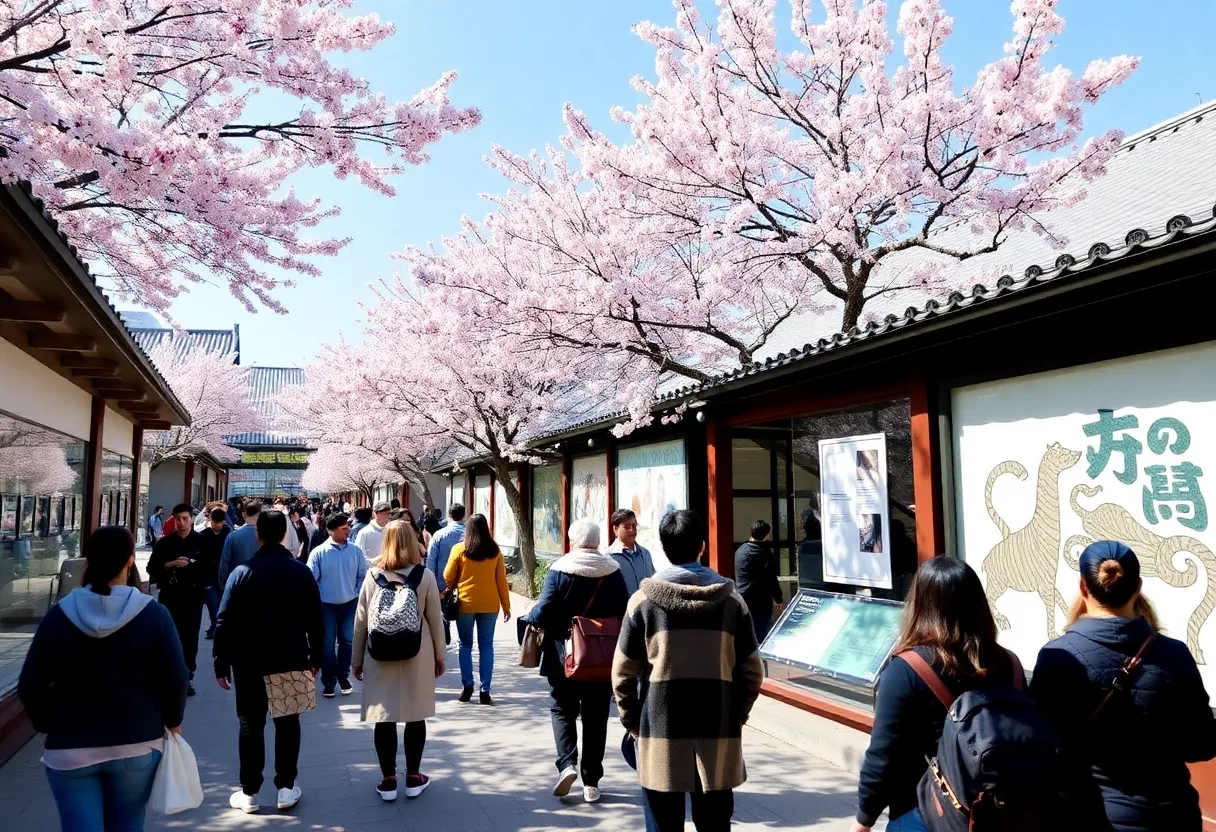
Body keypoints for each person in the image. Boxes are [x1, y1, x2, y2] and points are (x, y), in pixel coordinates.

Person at [1030, 540, 1216, 832]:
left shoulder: (1057, 657)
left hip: (1095, 817)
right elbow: (1201, 746)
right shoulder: (1174, 654)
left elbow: (1043, 751)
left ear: (1082, 587)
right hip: (1173, 817)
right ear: (1138, 586)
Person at [19, 526, 189, 832]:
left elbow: (29, 684)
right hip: (137, 742)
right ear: (129, 561)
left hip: (70, 747)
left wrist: (50, 724)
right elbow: (175, 677)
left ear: (88, 561)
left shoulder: (60, 615)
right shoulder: (153, 614)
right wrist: (173, 720)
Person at [613, 509, 763, 832]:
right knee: (715, 823)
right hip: (718, 729)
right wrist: (737, 714)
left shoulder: (642, 603)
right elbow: (753, 671)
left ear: (665, 550)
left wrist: (633, 722)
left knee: (663, 823)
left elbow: (622, 674)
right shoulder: (732, 601)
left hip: (660, 730)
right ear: (702, 546)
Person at [851, 557, 1022, 832]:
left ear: (919, 604)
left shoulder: (907, 670)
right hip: (1007, 812)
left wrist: (863, 819)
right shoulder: (1010, 664)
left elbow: (883, 755)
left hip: (928, 814)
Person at [214, 509, 323, 815]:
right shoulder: (300, 571)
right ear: (285, 535)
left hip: (247, 660)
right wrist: (316, 656)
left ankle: (249, 791)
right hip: (290, 655)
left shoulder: (242, 573)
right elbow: (316, 620)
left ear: (258, 535)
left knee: (251, 724)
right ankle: (286, 787)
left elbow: (224, 621)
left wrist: (221, 661)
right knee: (288, 721)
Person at [526, 518, 629, 803]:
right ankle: (592, 783)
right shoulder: (613, 570)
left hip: (564, 655)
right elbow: (625, 610)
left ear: (573, 540)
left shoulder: (560, 570)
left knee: (562, 709)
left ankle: (566, 765)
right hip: (602, 658)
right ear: (598, 541)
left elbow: (543, 612)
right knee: (596, 718)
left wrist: (531, 615)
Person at [353, 520, 444, 802]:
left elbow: (361, 622)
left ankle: (388, 779)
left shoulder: (373, 576)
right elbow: (435, 621)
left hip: (380, 654)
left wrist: (356, 660)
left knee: (385, 717)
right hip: (417, 652)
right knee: (415, 715)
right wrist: (439, 656)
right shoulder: (424, 576)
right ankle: (414, 777)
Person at [442, 512, 510, 704]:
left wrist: (454, 584)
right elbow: (501, 581)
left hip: (465, 603)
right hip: (489, 604)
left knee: (465, 645)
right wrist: (506, 605)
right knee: (486, 646)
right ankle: (485, 690)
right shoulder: (494, 550)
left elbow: (447, 574)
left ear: (468, 529)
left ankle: (467, 685)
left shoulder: (459, 549)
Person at [147, 503, 206, 696]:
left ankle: (187, 676)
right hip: (169, 597)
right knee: (168, 637)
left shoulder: (201, 542)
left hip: (193, 597)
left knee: (190, 639)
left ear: (191, 519)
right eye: (177, 519)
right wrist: (170, 564)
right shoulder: (164, 544)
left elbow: (212, 569)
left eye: (185, 519)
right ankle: (168, 675)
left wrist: (193, 565)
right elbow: (151, 568)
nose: (181, 523)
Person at [307, 513, 367, 698]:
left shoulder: (355, 551)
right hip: (326, 606)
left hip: (349, 604)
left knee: (347, 641)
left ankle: (343, 677)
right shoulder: (319, 552)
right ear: (331, 531)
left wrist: (355, 593)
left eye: (347, 527)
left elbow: (362, 575)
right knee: (327, 645)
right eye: (343, 529)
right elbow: (311, 580)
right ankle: (328, 682)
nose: (347, 530)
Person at [734, 520, 784, 642]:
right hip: (761, 601)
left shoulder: (740, 550)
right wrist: (778, 599)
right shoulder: (765, 553)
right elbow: (772, 579)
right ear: (767, 535)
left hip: (742, 598)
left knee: (744, 635)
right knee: (760, 635)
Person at [426, 503, 467, 645]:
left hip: (441, 582)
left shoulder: (439, 534)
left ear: (449, 515)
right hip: (465, 582)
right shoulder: (470, 534)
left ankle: (445, 632)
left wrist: (430, 583)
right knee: (463, 615)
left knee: (443, 611)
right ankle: (462, 640)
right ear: (463, 515)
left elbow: (431, 560)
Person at [607, 508, 655, 596]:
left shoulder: (645, 554)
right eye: (627, 526)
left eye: (634, 525)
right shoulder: (609, 557)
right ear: (615, 529)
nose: (632, 530)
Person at [200, 506, 230, 640]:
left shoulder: (229, 534)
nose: (217, 526)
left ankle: (218, 626)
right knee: (212, 601)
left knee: (222, 602)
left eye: (219, 524)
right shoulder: (204, 534)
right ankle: (215, 626)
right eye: (214, 524)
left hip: (224, 574)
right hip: (208, 574)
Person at [219, 501, 262, 588]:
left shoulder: (232, 536)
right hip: (259, 585)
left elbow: (224, 563)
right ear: (260, 515)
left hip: (237, 585)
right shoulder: (266, 536)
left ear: (244, 514)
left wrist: (223, 585)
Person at [355, 501, 392, 565]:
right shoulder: (364, 532)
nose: (388, 516)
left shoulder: (391, 530)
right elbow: (359, 554)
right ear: (375, 513)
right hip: (371, 570)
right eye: (385, 513)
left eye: (389, 513)